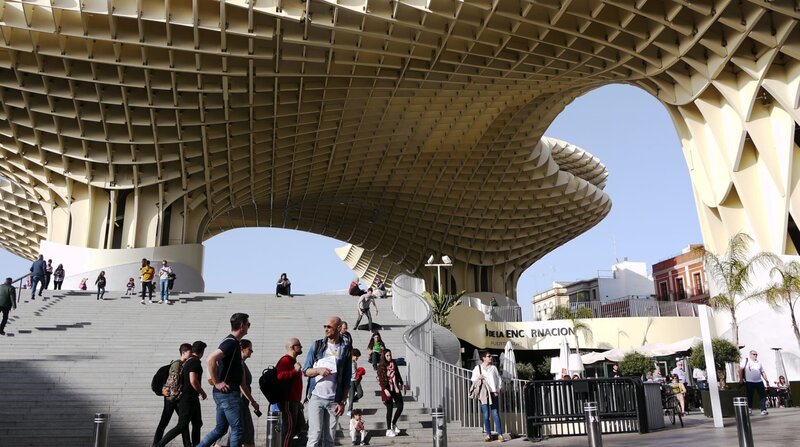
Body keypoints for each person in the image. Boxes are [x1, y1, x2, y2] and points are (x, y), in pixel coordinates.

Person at [197, 313, 253, 447]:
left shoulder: (232, 342)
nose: (248, 328)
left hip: (224, 394)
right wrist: (217, 382)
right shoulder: (231, 342)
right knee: (238, 429)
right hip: (228, 394)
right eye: (248, 324)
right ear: (241, 326)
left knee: (220, 429)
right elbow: (210, 359)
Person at [302, 315, 353, 447]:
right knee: (314, 435)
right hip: (316, 397)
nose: (326, 329)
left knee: (330, 438)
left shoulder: (345, 348)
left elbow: (347, 377)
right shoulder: (318, 345)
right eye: (325, 326)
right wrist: (318, 370)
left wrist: (342, 402)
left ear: (338, 328)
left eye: (329, 327)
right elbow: (305, 370)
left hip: (334, 400)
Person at [154, 340, 208, 447]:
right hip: (188, 398)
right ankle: (159, 445)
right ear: (201, 352)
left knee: (197, 423)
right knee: (182, 425)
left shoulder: (187, 362)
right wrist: (202, 392)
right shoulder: (194, 362)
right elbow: (193, 380)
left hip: (189, 398)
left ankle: (195, 444)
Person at [217, 339, 261, 447]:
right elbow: (242, 386)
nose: (252, 351)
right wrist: (253, 401)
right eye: (249, 349)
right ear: (242, 349)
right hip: (239, 402)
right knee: (238, 432)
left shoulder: (239, 363)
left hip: (240, 403)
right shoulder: (239, 363)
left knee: (240, 433)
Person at [152, 343, 193, 447]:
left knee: (183, 422)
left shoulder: (184, 365)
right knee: (165, 421)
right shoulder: (177, 365)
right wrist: (174, 396)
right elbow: (173, 382)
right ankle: (156, 443)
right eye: (190, 351)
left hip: (176, 397)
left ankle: (187, 444)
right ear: (183, 352)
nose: (192, 353)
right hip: (172, 398)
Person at [471, 351, 504, 442]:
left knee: (495, 413)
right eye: (489, 356)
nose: (490, 358)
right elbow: (472, 379)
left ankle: (500, 434)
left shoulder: (493, 368)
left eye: (491, 356)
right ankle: (488, 435)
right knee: (486, 415)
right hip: (483, 393)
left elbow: (499, 379)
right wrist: (479, 377)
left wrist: (498, 389)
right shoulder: (477, 368)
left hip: (493, 393)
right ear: (483, 358)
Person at [276, 337, 304, 447]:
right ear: (293, 347)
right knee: (289, 429)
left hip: (294, 400)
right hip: (288, 400)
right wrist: (295, 371)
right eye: (299, 345)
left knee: (298, 425)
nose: (301, 347)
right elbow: (279, 376)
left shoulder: (293, 361)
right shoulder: (285, 360)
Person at [378, 349, 405, 437]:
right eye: (387, 356)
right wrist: (385, 389)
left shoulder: (393, 363)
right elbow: (381, 379)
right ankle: (388, 429)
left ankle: (393, 423)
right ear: (384, 357)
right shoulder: (381, 366)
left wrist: (402, 383)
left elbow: (397, 373)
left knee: (400, 406)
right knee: (389, 409)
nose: (389, 357)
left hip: (395, 387)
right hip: (387, 388)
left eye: (390, 355)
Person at [740, 350, 769, 415]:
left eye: (756, 354)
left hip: (759, 381)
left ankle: (763, 410)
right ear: (750, 355)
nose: (755, 355)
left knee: (762, 396)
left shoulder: (759, 362)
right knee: (750, 396)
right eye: (754, 354)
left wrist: (766, 380)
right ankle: (749, 409)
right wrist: (741, 379)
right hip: (749, 381)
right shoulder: (746, 360)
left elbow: (762, 371)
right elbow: (740, 369)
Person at [347, 348, 364, 415]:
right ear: (352, 355)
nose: (357, 358)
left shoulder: (355, 363)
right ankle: (349, 410)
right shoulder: (348, 363)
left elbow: (356, 371)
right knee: (351, 395)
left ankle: (351, 400)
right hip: (350, 381)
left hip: (357, 380)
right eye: (356, 356)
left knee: (360, 393)